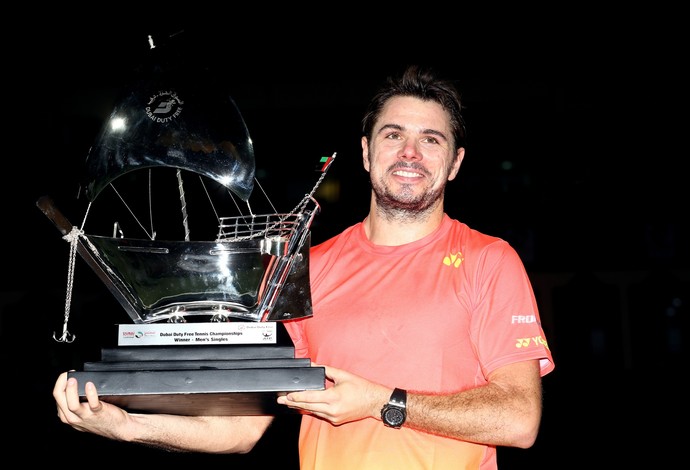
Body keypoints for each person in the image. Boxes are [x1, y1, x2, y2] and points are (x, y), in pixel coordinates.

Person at [53, 64, 555, 469]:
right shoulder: (306, 268)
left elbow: (519, 418)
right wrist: (128, 426)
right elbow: (242, 429)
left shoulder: (489, 260)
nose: (409, 153)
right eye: (392, 134)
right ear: (365, 152)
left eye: (432, 139)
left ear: (455, 163)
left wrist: (384, 401)